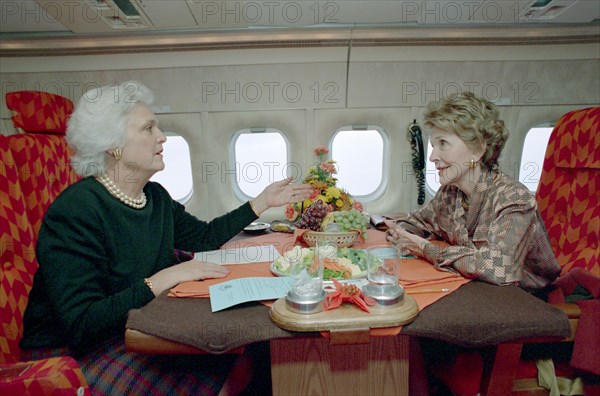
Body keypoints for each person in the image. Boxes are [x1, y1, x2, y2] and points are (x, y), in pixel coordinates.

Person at [19, 81, 312, 395]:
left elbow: (204, 237)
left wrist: (261, 202)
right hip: (71, 356)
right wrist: (163, 279)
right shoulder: (76, 212)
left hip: (135, 325)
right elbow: (82, 324)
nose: (163, 137)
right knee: (230, 364)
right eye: (148, 128)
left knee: (252, 348)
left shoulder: (153, 197)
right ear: (112, 144)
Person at [385, 92, 561, 396]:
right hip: (477, 294)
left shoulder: (512, 198)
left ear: (477, 150)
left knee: (410, 331)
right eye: (432, 144)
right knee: (403, 326)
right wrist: (399, 232)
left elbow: (499, 270)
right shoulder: (450, 194)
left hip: (522, 310)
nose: (432, 157)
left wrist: (425, 248)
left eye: (443, 144)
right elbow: (419, 222)